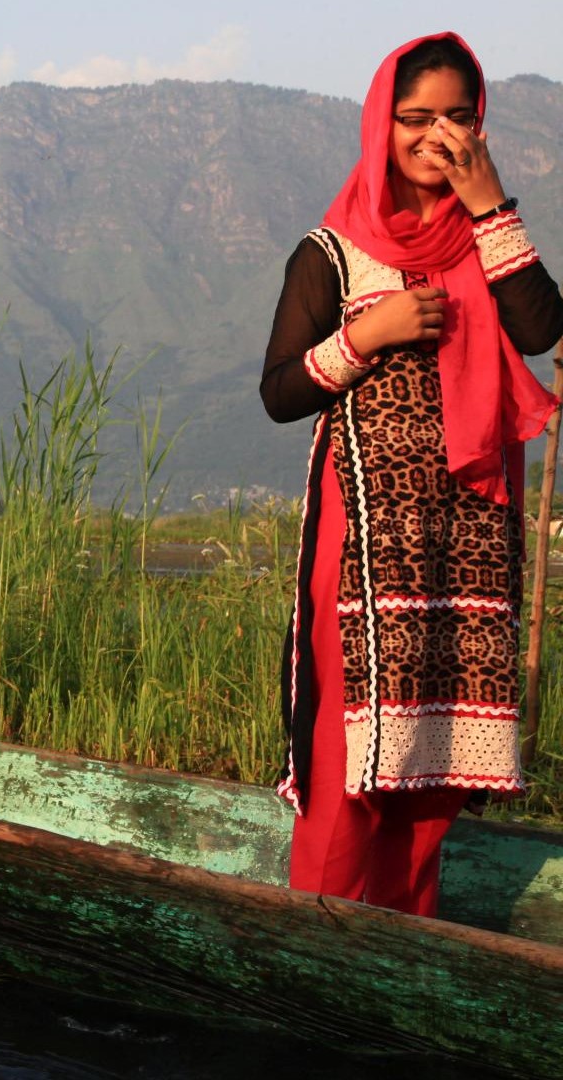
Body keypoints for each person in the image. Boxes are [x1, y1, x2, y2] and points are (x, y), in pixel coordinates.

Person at [261, 32, 563, 916]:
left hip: (466, 538)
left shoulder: (486, 239)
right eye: (416, 118)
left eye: (459, 119)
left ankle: (407, 947)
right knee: (349, 757)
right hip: (364, 540)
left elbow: (541, 330)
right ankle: (317, 940)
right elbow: (280, 393)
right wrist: (369, 335)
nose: (438, 136)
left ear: (481, 128)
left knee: (432, 769)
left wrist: (490, 206)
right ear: (381, 124)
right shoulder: (331, 251)